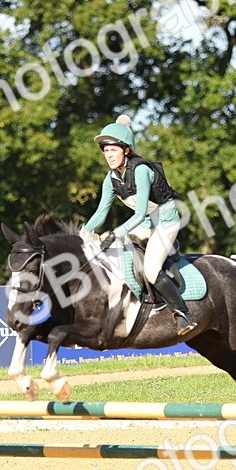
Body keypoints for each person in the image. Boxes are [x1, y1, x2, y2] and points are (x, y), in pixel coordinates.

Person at [82, 114, 197, 336]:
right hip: (145, 221)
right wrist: (84, 234)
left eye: (113, 150)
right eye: (105, 151)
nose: (109, 155)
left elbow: (141, 211)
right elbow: (100, 213)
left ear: (126, 150)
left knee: (151, 269)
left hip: (166, 220)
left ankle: (183, 314)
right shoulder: (111, 179)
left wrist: (116, 233)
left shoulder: (141, 170)